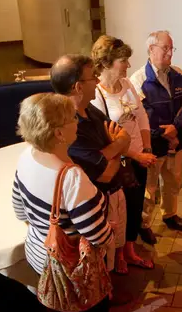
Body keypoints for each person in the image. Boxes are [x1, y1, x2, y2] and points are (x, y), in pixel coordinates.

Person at [11, 93, 112, 312]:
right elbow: (98, 235)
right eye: (71, 119)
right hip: (70, 269)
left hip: (39, 255)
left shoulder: (26, 156)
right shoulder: (72, 178)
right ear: (58, 133)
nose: (77, 121)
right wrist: (109, 227)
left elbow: (19, 209)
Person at [49, 55, 131, 275]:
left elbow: (125, 137)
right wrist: (119, 145)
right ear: (78, 87)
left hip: (114, 192)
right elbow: (103, 174)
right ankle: (107, 297)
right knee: (100, 257)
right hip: (96, 205)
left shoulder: (90, 110)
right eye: (92, 77)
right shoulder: (68, 125)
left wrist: (114, 148)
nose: (97, 81)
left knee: (112, 250)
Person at [90, 35, 156, 268]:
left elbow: (142, 117)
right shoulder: (97, 95)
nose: (128, 65)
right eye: (123, 60)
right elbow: (107, 137)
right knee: (120, 208)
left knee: (136, 204)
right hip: (122, 161)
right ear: (106, 63)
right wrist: (137, 155)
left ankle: (130, 250)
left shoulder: (127, 84)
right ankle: (117, 256)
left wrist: (146, 147)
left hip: (140, 155)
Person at [130, 30, 182, 233]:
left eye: (171, 48)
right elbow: (141, 118)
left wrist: (175, 128)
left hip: (176, 142)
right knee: (149, 189)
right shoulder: (138, 80)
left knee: (172, 182)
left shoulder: (178, 74)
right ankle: (144, 224)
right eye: (165, 48)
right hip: (153, 145)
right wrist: (164, 134)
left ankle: (169, 215)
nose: (170, 53)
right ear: (151, 49)